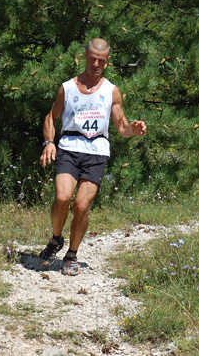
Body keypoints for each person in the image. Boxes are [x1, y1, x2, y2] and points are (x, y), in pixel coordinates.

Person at [39, 38, 147, 276]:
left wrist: (133, 130)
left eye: (101, 61)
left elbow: (121, 126)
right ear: (84, 57)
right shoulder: (67, 87)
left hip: (96, 151)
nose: (96, 64)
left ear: (107, 62)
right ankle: (56, 239)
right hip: (69, 146)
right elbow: (51, 117)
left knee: (81, 205)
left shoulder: (111, 91)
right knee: (62, 196)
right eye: (92, 59)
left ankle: (72, 255)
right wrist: (49, 143)